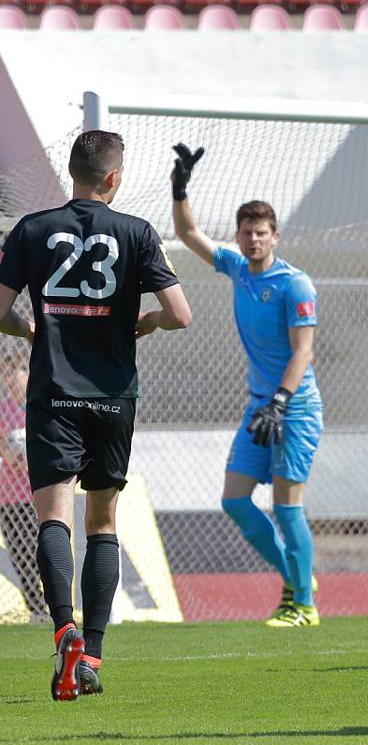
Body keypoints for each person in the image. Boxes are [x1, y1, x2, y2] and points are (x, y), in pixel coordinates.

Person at [0, 130, 192, 701]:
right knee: (101, 523)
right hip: (113, 398)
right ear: (114, 177)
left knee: (52, 519)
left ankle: (63, 630)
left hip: (53, 393)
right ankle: (94, 658)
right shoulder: (136, 231)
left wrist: (28, 328)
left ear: (72, 170)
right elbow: (181, 314)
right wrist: (148, 322)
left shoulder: (32, 229)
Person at [170, 143, 323, 628]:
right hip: (260, 408)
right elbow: (189, 233)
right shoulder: (237, 268)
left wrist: (280, 402)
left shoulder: (296, 284)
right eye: (246, 233)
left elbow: (303, 351)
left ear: (275, 236)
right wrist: (180, 189)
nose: (253, 240)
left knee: (285, 505)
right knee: (234, 500)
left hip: (292, 408)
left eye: (261, 233)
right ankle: (298, 578)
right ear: (238, 237)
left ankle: (304, 605)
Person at [0, 353, 47, 621]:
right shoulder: (3, 410)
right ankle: (36, 609)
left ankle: (54, 605)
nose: (8, 379)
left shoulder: (39, 406)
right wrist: (10, 454)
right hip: (9, 495)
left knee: (41, 548)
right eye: (4, 374)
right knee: (19, 553)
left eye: (13, 372)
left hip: (37, 494)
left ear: (26, 374)